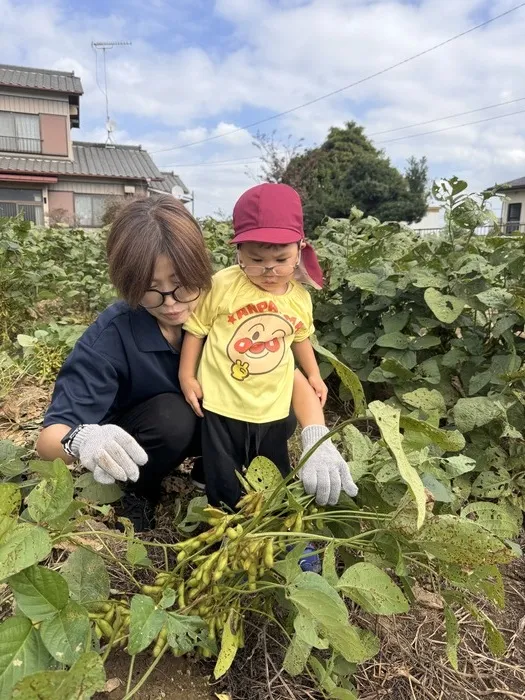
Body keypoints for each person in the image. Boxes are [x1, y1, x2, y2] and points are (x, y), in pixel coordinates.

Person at [36, 195, 356, 531]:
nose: (172, 304)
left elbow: (287, 375)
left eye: (182, 285)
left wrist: (317, 438)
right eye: (151, 290)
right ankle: (137, 489)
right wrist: (85, 440)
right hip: (141, 439)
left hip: (217, 420)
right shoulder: (110, 338)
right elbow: (48, 439)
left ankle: (212, 472)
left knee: (278, 412)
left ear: (201, 269)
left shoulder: (228, 306)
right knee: (173, 417)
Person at [180, 183, 358, 509]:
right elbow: (196, 330)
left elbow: (301, 337)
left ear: (300, 249)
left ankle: (273, 520)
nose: (269, 270)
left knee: (275, 473)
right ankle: (224, 525)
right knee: (224, 476)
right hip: (223, 401)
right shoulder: (222, 285)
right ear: (239, 252)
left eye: (281, 258)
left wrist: (314, 375)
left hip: (273, 404)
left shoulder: (299, 298)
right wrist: (187, 375)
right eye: (256, 259)